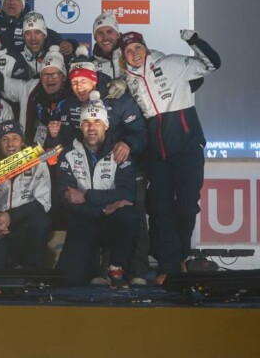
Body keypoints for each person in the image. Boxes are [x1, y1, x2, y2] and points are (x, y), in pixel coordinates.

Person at [118, 29, 221, 285]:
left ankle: (178, 259)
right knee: (160, 210)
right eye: (128, 51)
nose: (134, 53)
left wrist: (194, 41)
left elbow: (212, 64)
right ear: (123, 56)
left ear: (145, 48)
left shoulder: (170, 63)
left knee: (186, 207)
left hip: (187, 148)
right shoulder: (127, 79)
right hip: (157, 154)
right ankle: (169, 267)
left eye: (138, 48)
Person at [47, 46, 150, 285]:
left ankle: (134, 271)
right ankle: (99, 271)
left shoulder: (118, 96)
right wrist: (53, 139)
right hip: (88, 176)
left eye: (84, 81)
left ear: (94, 80)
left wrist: (127, 144)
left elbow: (141, 134)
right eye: (74, 82)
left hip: (121, 162)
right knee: (70, 276)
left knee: (129, 215)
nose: (79, 87)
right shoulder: (68, 105)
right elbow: (63, 147)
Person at [55, 92, 138, 288]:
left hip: (113, 219)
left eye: (97, 122)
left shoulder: (120, 151)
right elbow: (67, 198)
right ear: (80, 126)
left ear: (106, 125)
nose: (91, 128)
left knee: (128, 215)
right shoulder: (68, 153)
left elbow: (127, 194)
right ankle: (92, 266)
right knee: (69, 280)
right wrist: (102, 208)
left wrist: (87, 196)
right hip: (84, 218)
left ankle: (116, 268)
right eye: (86, 122)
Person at [0, 120, 52, 270]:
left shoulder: (38, 164)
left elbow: (44, 203)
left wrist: (11, 216)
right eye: (5, 139)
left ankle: (31, 271)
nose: (10, 144)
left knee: (41, 222)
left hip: (25, 224)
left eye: (15, 138)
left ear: (22, 141)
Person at [0, 45, 70, 146]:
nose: (50, 79)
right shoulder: (31, 88)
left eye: (55, 74)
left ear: (63, 77)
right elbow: (3, 83)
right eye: (45, 75)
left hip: (65, 152)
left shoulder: (73, 94)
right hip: (31, 151)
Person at [0, 0, 74, 56]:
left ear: (22, 5)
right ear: (2, 5)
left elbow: (59, 41)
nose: (11, 2)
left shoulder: (32, 22)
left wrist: (71, 44)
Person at [90, 11, 125, 79]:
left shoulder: (131, 58)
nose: (105, 37)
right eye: (100, 33)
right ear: (95, 38)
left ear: (118, 34)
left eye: (109, 31)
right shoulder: (89, 65)